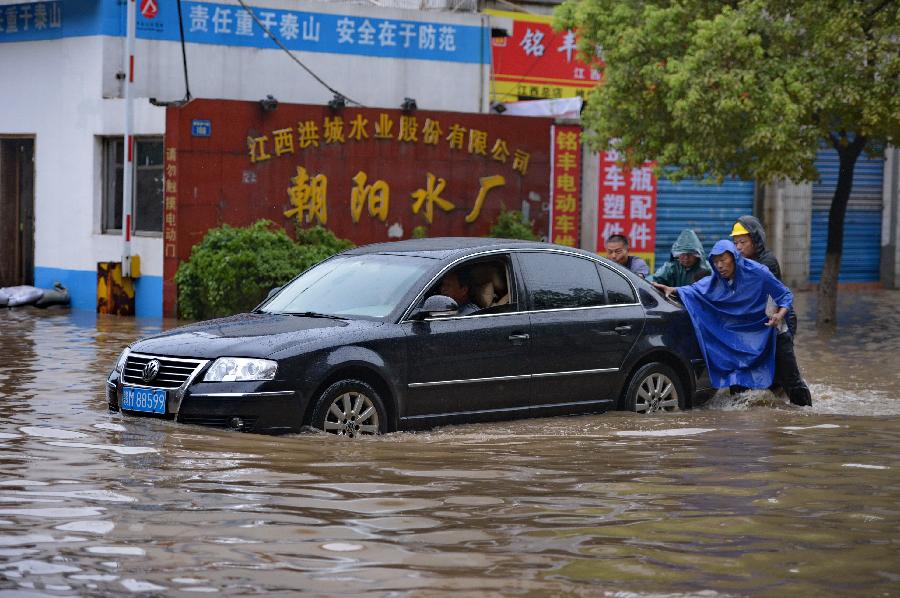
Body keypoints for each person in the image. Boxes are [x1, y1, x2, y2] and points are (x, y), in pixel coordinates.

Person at [653, 240, 812, 406]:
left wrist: (779, 315)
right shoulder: (716, 281)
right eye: (715, 262)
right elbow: (693, 290)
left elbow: (785, 295)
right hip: (745, 338)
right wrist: (673, 289)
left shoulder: (758, 272)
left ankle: (805, 415)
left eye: (723, 260)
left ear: (734, 258)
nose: (720, 265)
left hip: (773, 331)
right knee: (738, 382)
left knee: (790, 379)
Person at [730, 215, 797, 335]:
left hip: (780, 321)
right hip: (761, 320)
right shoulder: (741, 261)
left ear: (755, 241)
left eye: (742, 242)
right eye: (735, 243)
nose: (738, 247)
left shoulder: (767, 262)